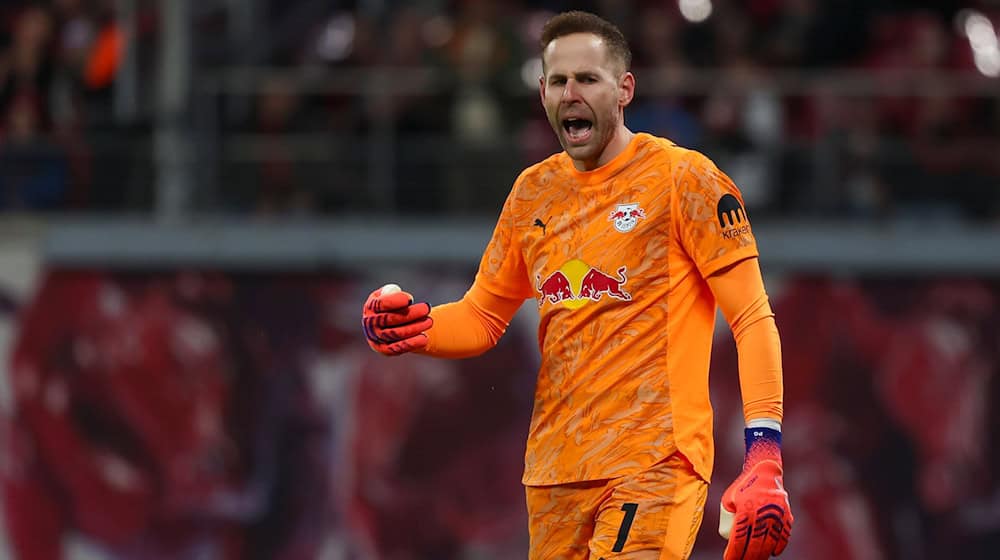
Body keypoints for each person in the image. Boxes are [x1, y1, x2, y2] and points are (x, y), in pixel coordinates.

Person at [361, 10, 792, 560]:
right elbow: (483, 316)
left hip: (654, 463)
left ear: (624, 88)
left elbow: (753, 318)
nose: (571, 93)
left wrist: (764, 455)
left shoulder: (686, 181)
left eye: (588, 78)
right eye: (559, 81)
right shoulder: (532, 192)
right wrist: (417, 328)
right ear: (541, 91)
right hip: (553, 473)